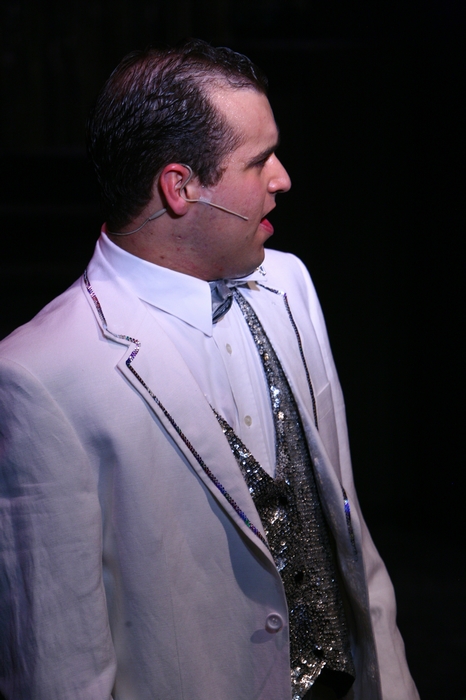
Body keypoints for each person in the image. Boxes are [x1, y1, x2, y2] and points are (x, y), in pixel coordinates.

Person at [0, 40, 419, 700]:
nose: (282, 178)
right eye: (258, 161)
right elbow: (59, 661)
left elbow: (346, 534)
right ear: (180, 187)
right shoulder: (39, 376)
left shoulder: (289, 283)